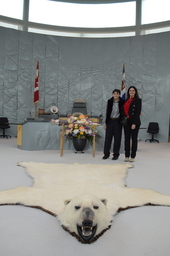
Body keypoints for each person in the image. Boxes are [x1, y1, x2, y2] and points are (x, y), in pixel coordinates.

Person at [102, 89, 125, 160]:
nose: (116, 95)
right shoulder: (109, 101)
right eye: (114, 94)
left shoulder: (122, 102)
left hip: (118, 122)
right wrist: (105, 123)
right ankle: (106, 154)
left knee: (117, 139)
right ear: (112, 94)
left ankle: (116, 154)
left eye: (117, 94)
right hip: (110, 121)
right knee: (108, 138)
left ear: (119, 95)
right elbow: (106, 112)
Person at [122, 86, 142, 162]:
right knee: (126, 139)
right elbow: (123, 110)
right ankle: (126, 155)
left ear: (135, 92)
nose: (132, 92)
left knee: (134, 139)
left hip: (134, 122)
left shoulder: (138, 100)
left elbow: (137, 112)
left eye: (133, 91)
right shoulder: (126, 100)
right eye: (130, 91)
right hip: (127, 121)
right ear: (128, 92)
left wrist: (134, 123)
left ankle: (133, 156)